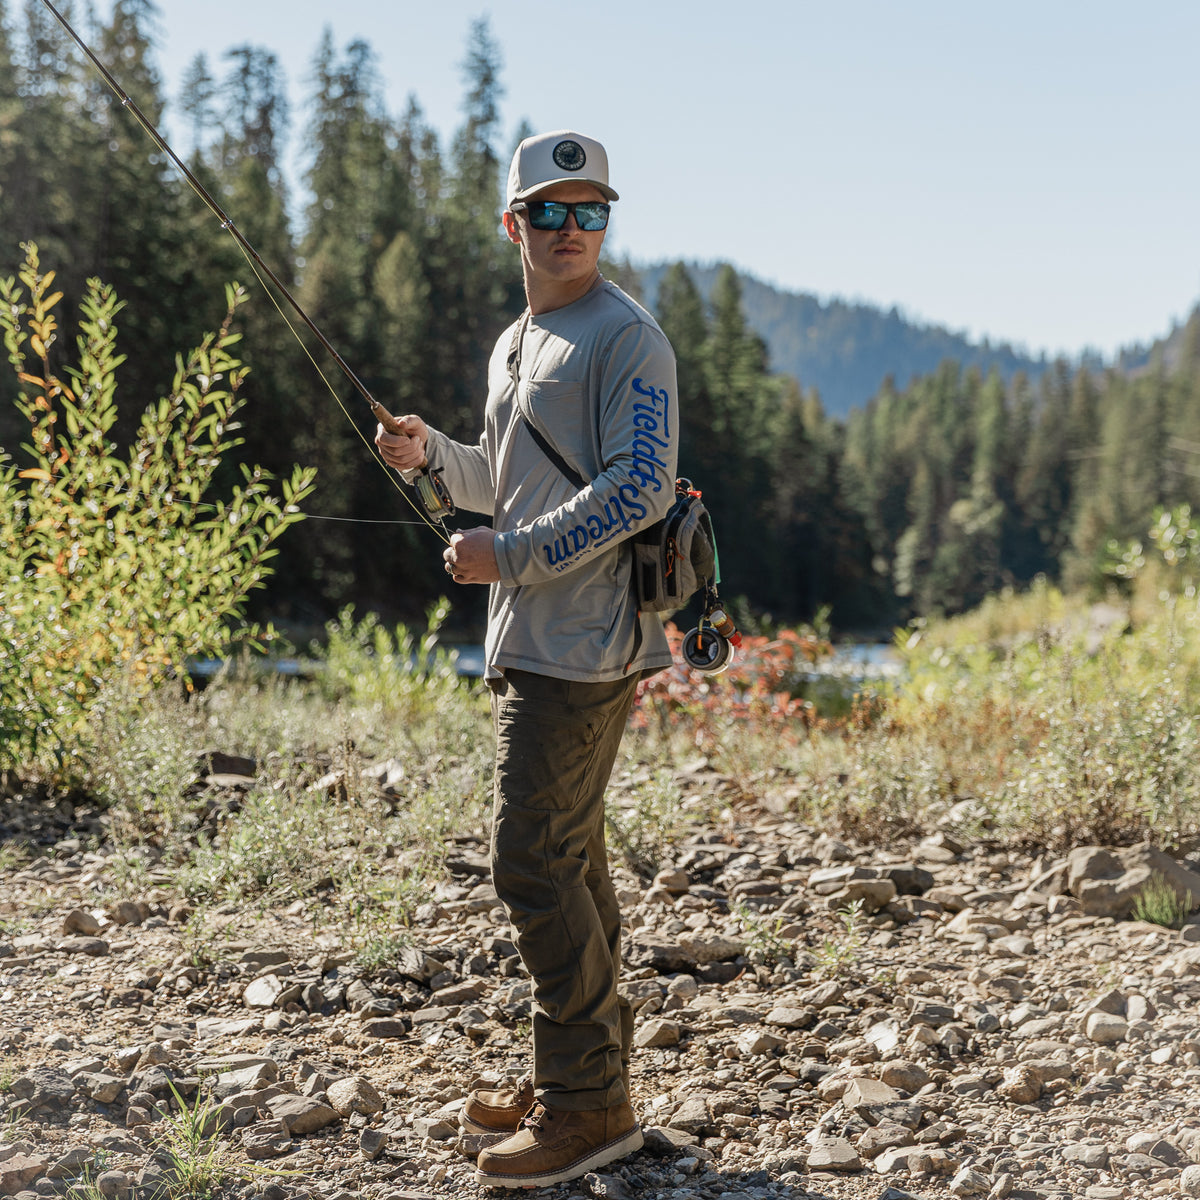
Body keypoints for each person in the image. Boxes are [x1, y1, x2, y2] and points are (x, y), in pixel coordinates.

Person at [375, 130, 679, 1190]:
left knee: (532, 863)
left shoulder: (626, 337)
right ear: (515, 224)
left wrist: (503, 555)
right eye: (549, 211)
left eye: (590, 212)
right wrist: (433, 457)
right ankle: (587, 1078)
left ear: (605, 223)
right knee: (571, 856)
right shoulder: (518, 340)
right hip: (533, 638)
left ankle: (588, 1107)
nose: (570, 229)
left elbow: (639, 489)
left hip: (586, 645)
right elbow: (506, 483)